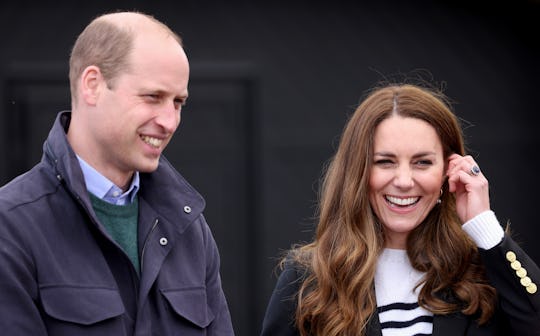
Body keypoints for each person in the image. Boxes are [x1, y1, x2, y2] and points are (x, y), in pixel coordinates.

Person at [0, 11, 234, 335]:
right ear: (92, 85)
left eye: (178, 102)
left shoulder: (190, 230)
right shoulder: (11, 227)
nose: (169, 121)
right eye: (153, 97)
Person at [260, 83, 540, 336]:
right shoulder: (309, 278)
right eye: (385, 162)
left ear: (448, 170)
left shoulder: (484, 272)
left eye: (422, 162)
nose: (404, 181)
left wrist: (484, 226)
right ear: (358, 171)